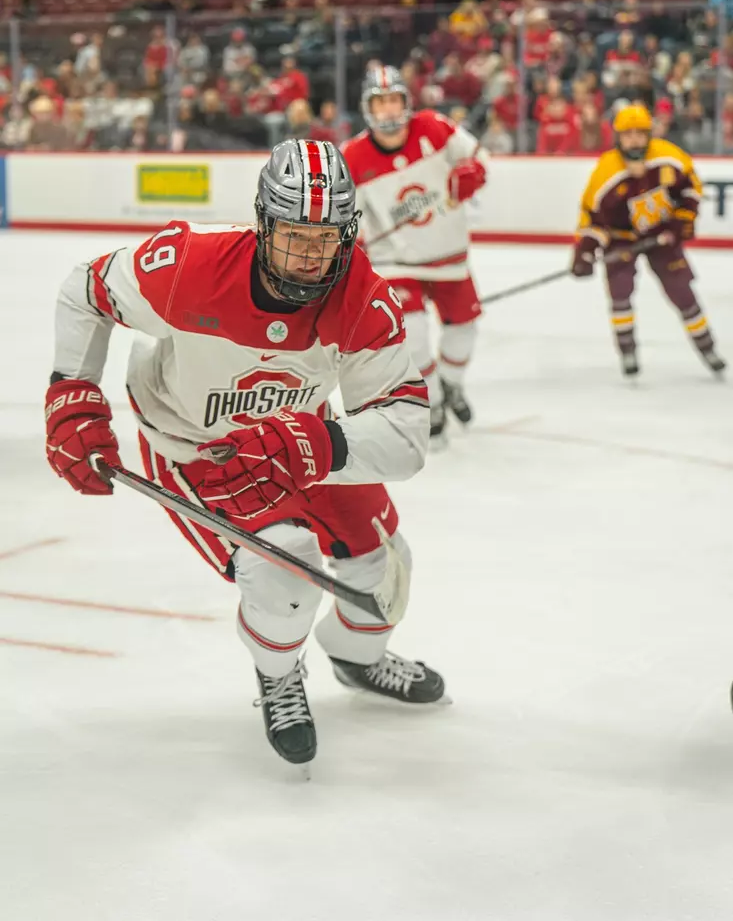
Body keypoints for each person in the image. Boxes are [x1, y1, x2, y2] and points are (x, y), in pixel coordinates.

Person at [44, 140, 445, 771]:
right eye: (294, 236)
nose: (310, 256)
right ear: (264, 223)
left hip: (301, 438)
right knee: (285, 576)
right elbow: (85, 291)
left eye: (326, 239)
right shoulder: (188, 263)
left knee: (385, 566)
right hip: (196, 446)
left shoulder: (362, 296)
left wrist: (318, 443)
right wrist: (72, 391)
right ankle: (279, 674)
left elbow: (407, 431)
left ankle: (357, 658)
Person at [341, 66, 489, 440]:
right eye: (380, 102)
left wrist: (472, 173)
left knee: (465, 329)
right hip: (395, 262)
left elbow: (478, 158)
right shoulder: (353, 157)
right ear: (368, 108)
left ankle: (452, 384)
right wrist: (351, 245)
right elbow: (346, 216)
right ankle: (434, 399)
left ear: (406, 102)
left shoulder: (435, 128)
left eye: (393, 100)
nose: (388, 110)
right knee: (415, 336)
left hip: (449, 255)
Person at [571, 104, 725, 378]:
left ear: (649, 134)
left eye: (640, 133)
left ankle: (707, 347)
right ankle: (627, 349)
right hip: (621, 240)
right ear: (618, 137)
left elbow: (691, 188)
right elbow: (592, 217)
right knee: (620, 294)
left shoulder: (668, 157)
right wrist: (584, 251)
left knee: (683, 292)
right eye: (628, 134)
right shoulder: (606, 172)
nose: (634, 140)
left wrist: (682, 221)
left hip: (661, 236)